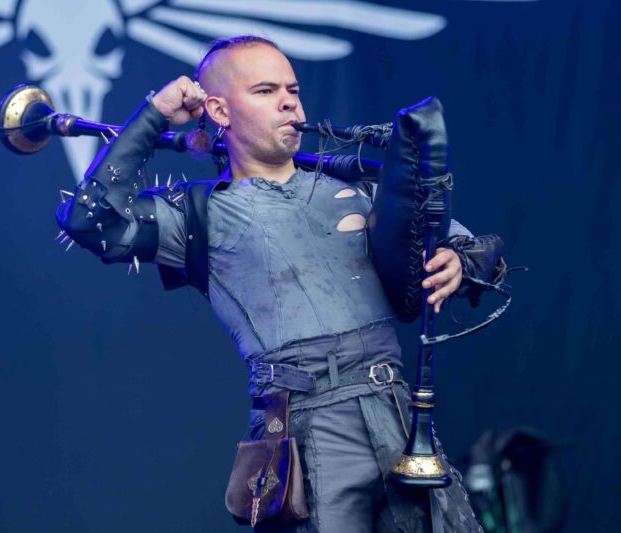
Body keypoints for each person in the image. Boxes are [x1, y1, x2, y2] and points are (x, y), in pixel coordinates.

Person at [57, 35, 503, 532]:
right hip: (303, 429)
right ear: (219, 111)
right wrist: (155, 114)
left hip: (396, 412)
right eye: (266, 90)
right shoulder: (197, 213)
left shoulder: (359, 186)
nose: (289, 101)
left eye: (292, 89)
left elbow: (473, 247)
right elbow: (90, 220)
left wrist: (458, 262)